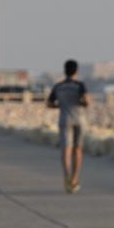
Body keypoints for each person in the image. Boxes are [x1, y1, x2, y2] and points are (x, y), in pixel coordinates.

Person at [46, 59, 89, 193]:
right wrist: (80, 103)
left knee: (66, 150)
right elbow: (87, 101)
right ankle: (75, 180)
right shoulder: (79, 85)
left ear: (65, 71)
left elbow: (49, 103)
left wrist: (60, 105)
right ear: (76, 71)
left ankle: (66, 177)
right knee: (78, 149)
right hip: (79, 119)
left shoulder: (58, 86)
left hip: (65, 119)